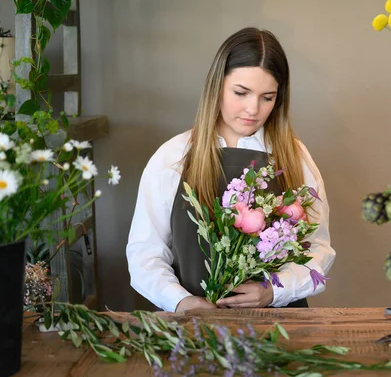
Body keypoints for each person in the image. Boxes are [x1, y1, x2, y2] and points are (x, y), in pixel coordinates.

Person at [126, 27, 335, 313]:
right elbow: (145, 253)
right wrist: (181, 301)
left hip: (282, 326)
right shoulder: (173, 157)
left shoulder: (294, 157)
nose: (253, 109)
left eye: (267, 97)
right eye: (241, 92)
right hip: (196, 330)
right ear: (217, 86)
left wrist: (274, 290)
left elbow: (318, 249)